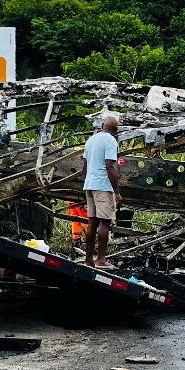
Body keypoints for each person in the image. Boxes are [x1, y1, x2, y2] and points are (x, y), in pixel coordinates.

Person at [81, 115, 122, 268]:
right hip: (103, 186)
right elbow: (110, 166)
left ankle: (88, 260)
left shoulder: (90, 140)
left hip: (89, 185)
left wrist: (87, 182)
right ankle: (101, 260)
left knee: (92, 223)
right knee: (105, 223)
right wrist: (116, 192)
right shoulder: (110, 141)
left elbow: (84, 167)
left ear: (103, 125)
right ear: (115, 130)